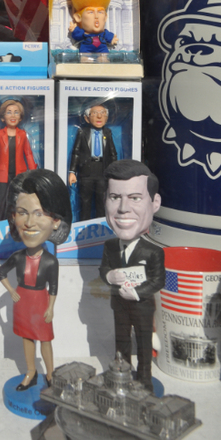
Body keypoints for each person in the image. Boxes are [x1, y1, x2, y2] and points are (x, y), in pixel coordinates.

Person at [0, 169, 72, 391]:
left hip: (41, 301)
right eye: (22, 213)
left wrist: (50, 307)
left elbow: (54, 287)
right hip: (23, 301)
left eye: (40, 214)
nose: (29, 223)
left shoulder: (50, 261)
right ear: (13, 217)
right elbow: (1, 273)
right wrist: (11, 290)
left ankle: (50, 373)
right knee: (27, 338)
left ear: (56, 221)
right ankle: (31, 371)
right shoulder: (17, 257)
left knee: (45, 339)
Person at [99, 159, 165, 393]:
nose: (123, 208)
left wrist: (136, 293)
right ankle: (122, 376)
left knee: (144, 345)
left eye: (135, 198)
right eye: (115, 197)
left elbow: (158, 280)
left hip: (143, 307)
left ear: (155, 203)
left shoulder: (154, 252)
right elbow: (103, 270)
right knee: (121, 343)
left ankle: (145, 380)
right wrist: (110, 277)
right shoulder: (110, 247)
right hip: (119, 306)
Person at [0, 99, 38, 222]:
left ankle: (15, 223)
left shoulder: (22, 134)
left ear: (20, 117)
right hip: (2, 174)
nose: (13, 116)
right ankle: (1, 223)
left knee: (17, 200)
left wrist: (34, 172)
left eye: (16, 112)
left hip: (19, 174)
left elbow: (28, 154)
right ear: (3, 117)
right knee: (2, 201)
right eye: (9, 112)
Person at [49, 0, 118, 62]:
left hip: (102, 49)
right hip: (86, 49)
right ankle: (85, 58)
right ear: (78, 17)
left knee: (104, 55)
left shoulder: (104, 34)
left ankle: (103, 58)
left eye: (100, 12)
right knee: (85, 54)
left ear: (105, 17)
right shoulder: (83, 34)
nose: (96, 16)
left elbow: (109, 36)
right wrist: (74, 30)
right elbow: (77, 36)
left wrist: (112, 39)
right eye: (90, 12)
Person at [68, 104, 118, 220]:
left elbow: (113, 154)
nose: (99, 116)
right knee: (85, 202)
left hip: (102, 171)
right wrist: (72, 172)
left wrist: (115, 172)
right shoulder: (82, 132)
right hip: (86, 172)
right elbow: (76, 153)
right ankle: (84, 224)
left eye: (102, 113)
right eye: (95, 113)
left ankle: (101, 224)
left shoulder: (107, 133)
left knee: (101, 201)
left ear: (107, 118)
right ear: (87, 118)